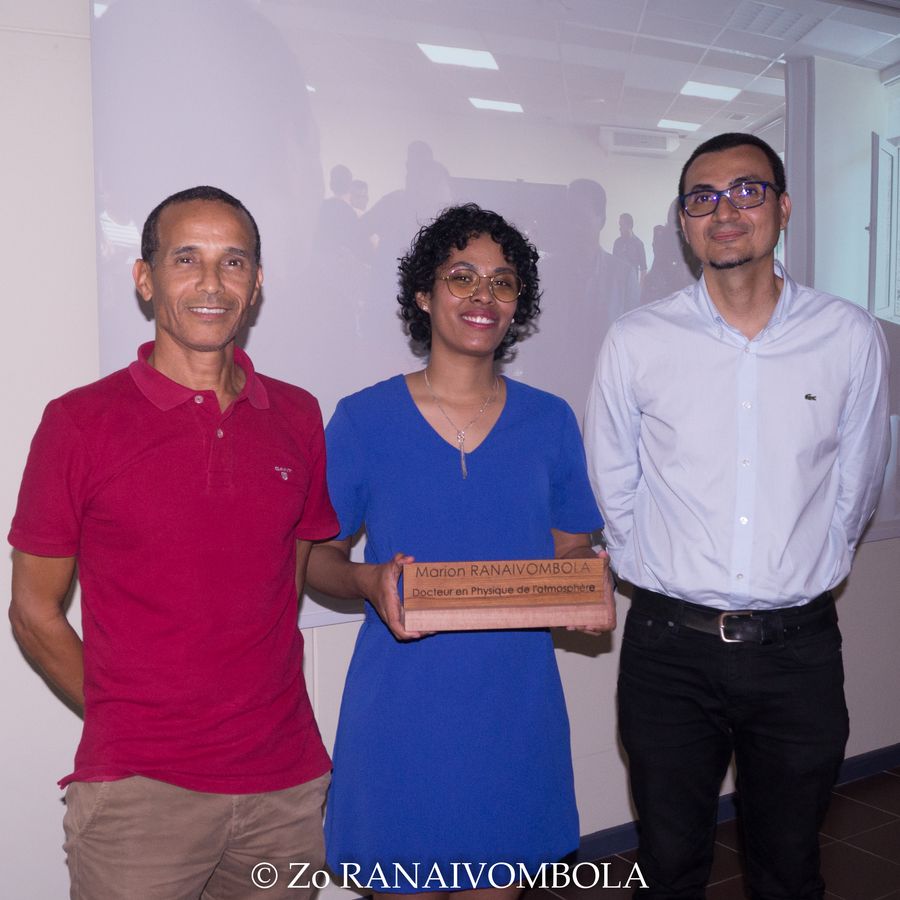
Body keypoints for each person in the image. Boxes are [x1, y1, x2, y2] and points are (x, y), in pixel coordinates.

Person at [8, 186, 339, 899]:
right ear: (145, 278)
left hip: (284, 787)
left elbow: (289, 576)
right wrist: (125, 726)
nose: (212, 284)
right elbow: (32, 610)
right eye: (187, 259)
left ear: (256, 285)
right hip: (140, 799)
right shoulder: (78, 423)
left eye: (234, 262)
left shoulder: (299, 415)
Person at [585, 132, 891, 899]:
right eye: (703, 197)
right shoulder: (637, 341)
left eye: (747, 191)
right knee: (670, 865)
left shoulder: (847, 337)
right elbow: (613, 486)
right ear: (684, 224)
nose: (725, 211)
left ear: (782, 210)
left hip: (798, 651)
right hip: (669, 651)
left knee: (789, 868)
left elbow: (856, 487)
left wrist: (798, 574)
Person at [306, 203, 615, 898]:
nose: (483, 296)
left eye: (503, 282)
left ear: (518, 304)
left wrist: (584, 589)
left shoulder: (550, 420)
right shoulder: (362, 419)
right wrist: (368, 579)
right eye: (462, 276)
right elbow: (314, 557)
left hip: (512, 711)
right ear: (424, 294)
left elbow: (572, 550)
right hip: (402, 713)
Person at [612, 213, 647, 282]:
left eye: (621, 225)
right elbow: (613, 264)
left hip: (632, 284)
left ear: (629, 226)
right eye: (619, 225)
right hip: (618, 283)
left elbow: (643, 268)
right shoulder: (617, 242)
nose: (619, 228)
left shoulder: (638, 244)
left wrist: (641, 288)